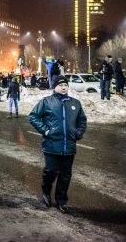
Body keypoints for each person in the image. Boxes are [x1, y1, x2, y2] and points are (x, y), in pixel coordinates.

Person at [28, 75, 87, 213]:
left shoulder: (75, 103)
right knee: (50, 171)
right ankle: (46, 192)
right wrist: (46, 131)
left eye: (65, 85)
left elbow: (82, 120)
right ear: (55, 87)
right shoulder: (47, 102)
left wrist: (78, 133)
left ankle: (61, 200)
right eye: (60, 85)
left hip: (69, 147)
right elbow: (33, 116)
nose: (63, 87)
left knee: (65, 175)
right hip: (51, 145)